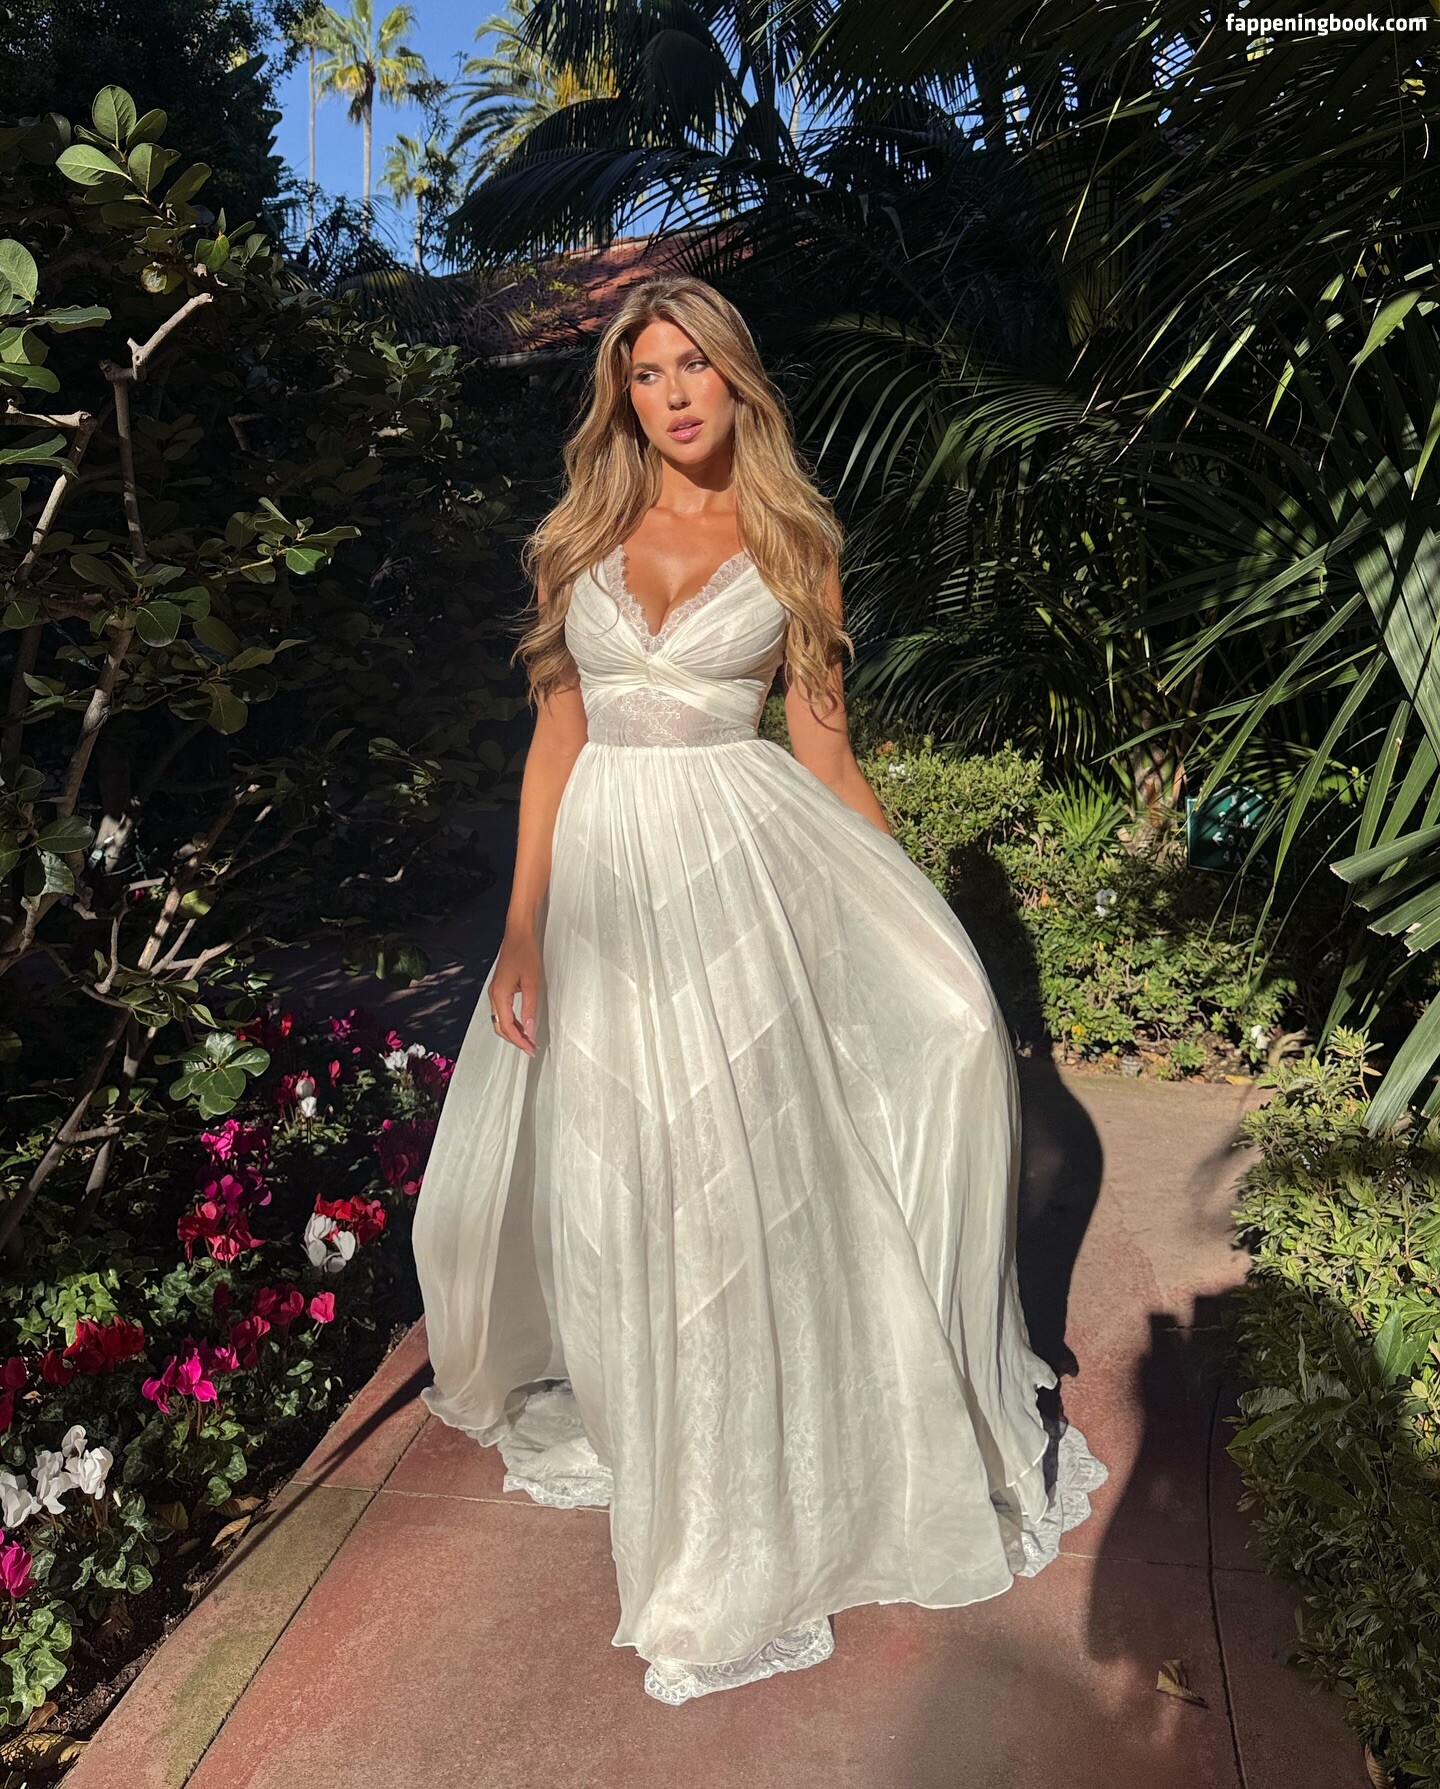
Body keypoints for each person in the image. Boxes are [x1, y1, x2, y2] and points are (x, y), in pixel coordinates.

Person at [411, 275, 1107, 1706]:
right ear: (622, 396)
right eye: (647, 373)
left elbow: (826, 758)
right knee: (625, 1179)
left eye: (695, 366)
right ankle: (664, 1436)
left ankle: (737, 1488)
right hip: (605, 894)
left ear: (736, 380)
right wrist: (524, 926)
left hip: (740, 889)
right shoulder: (577, 544)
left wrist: (929, 932)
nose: (673, 394)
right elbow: (555, 742)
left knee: (732, 1177)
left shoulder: (794, 546)